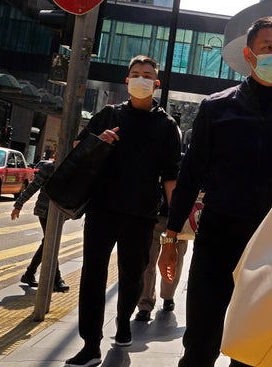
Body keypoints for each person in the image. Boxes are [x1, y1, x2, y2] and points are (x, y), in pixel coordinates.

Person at [158, 16, 272, 366]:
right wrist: (170, 239)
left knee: (254, 348)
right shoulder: (216, 108)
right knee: (200, 342)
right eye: (268, 48)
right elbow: (190, 176)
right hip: (217, 238)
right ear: (249, 54)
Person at [65, 55, 182, 367]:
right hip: (102, 210)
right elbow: (79, 150)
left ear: (156, 84)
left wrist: (175, 225)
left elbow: (171, 177)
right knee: (92, 275)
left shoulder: (167, 126)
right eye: (135, 74)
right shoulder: (108, 114)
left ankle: (122, 321)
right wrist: (98, 140)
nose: (140, 78)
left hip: (142, 215)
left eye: (147, 75)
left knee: (133, 277)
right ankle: (90, 344)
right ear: (127, 80)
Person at [11, 159, 69, 293]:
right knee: (50, 242)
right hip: (45, 211)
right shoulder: (49, 167)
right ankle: (56, 280)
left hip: (61, 212)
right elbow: (33, 186)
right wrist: (19, 204)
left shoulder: (73, 167)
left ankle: (29, 274)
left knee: (48, 243)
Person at [134, 187, 189, 322]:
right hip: (155, 212)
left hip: (180, 215)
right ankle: (145, 304)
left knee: (175, 259)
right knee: (148, 259)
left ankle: (167, 296)